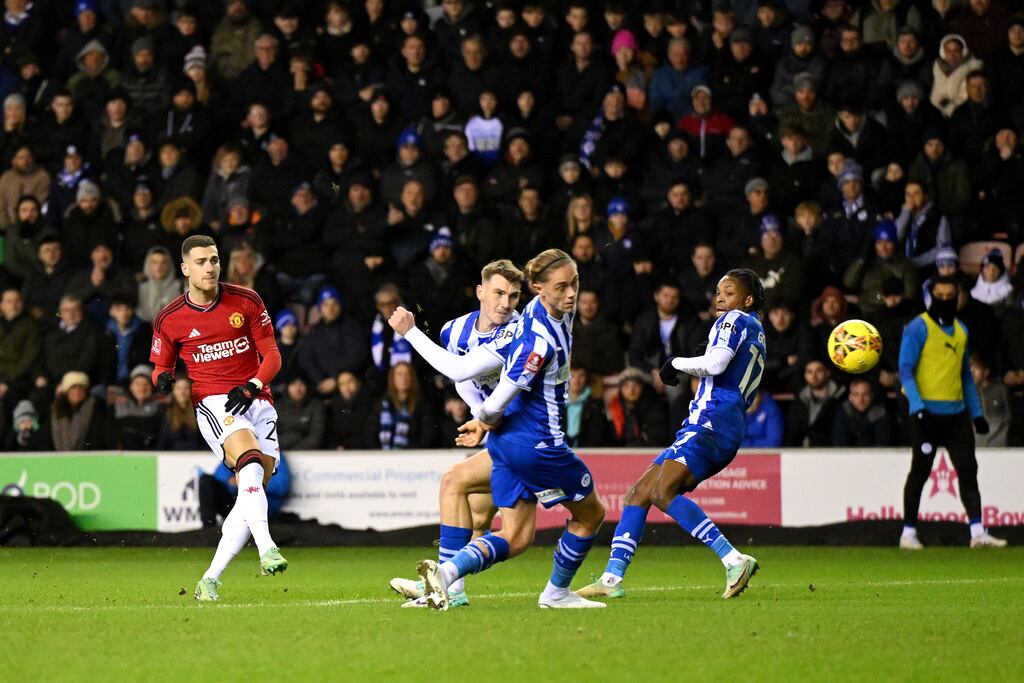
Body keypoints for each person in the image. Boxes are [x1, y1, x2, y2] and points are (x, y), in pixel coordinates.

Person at [415, 249, 608, 610]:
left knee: (516, 537)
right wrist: (483, 418)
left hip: (506, 444)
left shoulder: (535, 312)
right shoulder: (538, 341)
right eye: (562, 287)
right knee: (592, 513)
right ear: (540, 287)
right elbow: (493, 402)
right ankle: (556, 593)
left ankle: (444, 576)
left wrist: (486, 425)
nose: (571, 294)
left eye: (574, 283)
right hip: (540, 445)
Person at [577, 269, 764, 601]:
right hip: (718, 424)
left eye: (730, 291)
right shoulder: (756, 330)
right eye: (718, 291)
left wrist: (675, 362)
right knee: (638, 492)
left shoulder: (735, 319)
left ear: (747, 300)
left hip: (713, 421)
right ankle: (611, 579)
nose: (720, 297)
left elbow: (717, 364)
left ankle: (734, 559)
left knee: (663, 492)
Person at [149, 234, 288, 602]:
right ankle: (267, 548)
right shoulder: (170, 317)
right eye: (201, 262)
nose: (209, 267)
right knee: (250, 463)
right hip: (214, 403)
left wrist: (254, 385)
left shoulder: (247, 300)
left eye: (213, 260)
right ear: (185, 268)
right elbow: (160, 367)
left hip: (256, 399)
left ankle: (210, 578)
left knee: (251, 486)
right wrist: (161, 379)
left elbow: (272, 355)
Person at [387, 259, 523, 608]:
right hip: (502, 436)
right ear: (480, 292)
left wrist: (411, 332)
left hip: (527, 435)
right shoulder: (454, 331)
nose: (505, 304)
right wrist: (482, 417)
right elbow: (461, 380)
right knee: (478, 515)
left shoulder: (516, 330)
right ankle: (450, 585)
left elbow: (458, 367)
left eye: (512, 296)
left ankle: (441, 585)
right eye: (498, 293)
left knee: (460, 488)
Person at [898, 275, 1006, 550]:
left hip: (956, 414)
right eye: (940, 294)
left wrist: (976, 413)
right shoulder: (918, 327)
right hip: (926, 415)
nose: (945, 300)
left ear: (957, 297)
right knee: (920, 472)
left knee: (968, 469)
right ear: (932, 296)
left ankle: (978, 532)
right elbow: (905, 370)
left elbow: (966, 378)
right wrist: (918, 406)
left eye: (950, 295)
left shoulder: (961, 331)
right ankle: (908, 533)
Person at [831, 379, 891, 447]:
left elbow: (882, 445)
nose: (860, 399)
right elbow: (839, 444)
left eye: (865, 394)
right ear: (850, 397)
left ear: (871, 395)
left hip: (874, 455)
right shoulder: (842, 413)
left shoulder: (881, 414)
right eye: (856, 395)